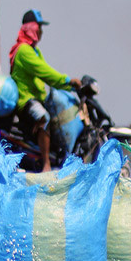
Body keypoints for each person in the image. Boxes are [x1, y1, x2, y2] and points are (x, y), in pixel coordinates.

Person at [9, 9, 81, 172]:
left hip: (38, 98)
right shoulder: (23, 51)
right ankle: (47, 164)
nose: (41, 32)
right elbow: (45, 72)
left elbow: (47, 76)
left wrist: (67, 86)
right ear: (31, 29)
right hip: (26, 100)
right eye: (38, 27)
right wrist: (67, 81)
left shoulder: (34, 50)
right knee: (45, 118)